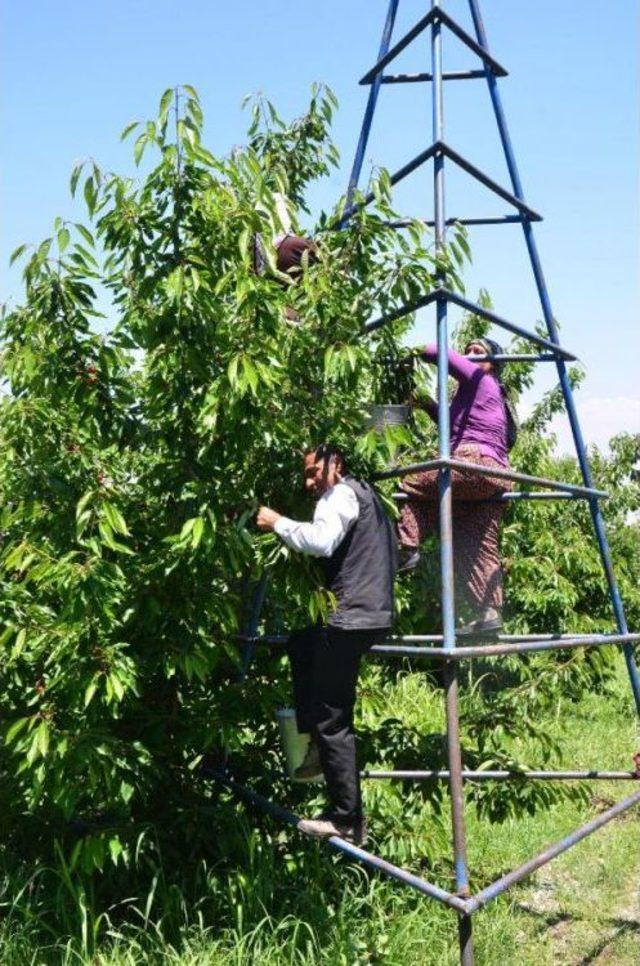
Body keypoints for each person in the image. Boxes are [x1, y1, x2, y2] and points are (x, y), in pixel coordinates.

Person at [256, 444, 397, 845]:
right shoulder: (369, 498)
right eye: (307, 474)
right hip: (369, 615)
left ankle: (346, 819)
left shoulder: (341, 495)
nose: (309, 481)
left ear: (337, 464)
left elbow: (321, 541)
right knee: (301, 643)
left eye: (315, 471)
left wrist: (278, 522)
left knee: (333, 718)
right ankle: (316, 744)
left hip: (351, 618)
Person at [398, 338, 517, 636]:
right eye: (469, 350)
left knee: (411, 481)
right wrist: (424, 402)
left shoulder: (482, 379)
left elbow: (437, 352)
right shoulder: (478, 395)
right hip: (492, 478)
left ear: (493, 364)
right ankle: (489, 613)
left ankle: (407, 548)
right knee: (474, 544)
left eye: (479, 352)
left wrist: (413, 350)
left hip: (472, 465)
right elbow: (451, 425)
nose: (471, 355)